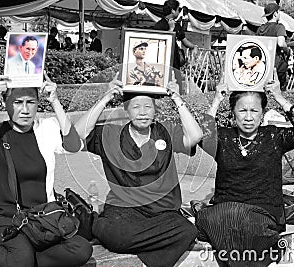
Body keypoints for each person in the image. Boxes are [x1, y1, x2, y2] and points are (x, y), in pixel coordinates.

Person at [0, 74, 92, 267]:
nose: (24, 109)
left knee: (81, 249)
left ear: (38, 103)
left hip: (41, 219)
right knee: (22, 259)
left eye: (31, 102)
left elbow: (73, 145)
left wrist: (55, 101)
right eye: (17, 102)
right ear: (6, 104)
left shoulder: (46, 130)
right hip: (5, 219)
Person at [74, 74, 203, 267]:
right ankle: (96, 223)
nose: (142, 112)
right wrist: (106, 97)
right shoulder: (111, 134)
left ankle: (147, 262)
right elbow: (77, 134)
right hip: (123, 211)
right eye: (135, 107)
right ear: (126, 110)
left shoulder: (165, 131)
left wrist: (177, 98)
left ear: (155, 110)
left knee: (187, 231)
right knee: (118, 237)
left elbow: (195, 136)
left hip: (163, 212)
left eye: (148, 106)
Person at [192, 72, 294, 266]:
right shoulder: (222, 138)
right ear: (233, 113)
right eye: (242, 111)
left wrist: (278, 96)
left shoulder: (274, 137)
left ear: (262, 113)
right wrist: (216, 100)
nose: (248, 117)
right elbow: (198, 136)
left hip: (263, 216)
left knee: (246, 226)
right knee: (221, 220)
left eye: (254, 111)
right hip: (226, 213)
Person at [153, 0, 198, 94]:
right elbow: (159, 44)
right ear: (173, 10)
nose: (179, 12)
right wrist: (171, 29)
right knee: (164, 88)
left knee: (177, 87)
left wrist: (193, 46)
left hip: (175, 62)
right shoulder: (159, 26)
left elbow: (184, 41)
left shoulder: (177, 25)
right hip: (163, 64)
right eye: (179, 9)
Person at [256, 3, 291, 91]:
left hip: (262, 65)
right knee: (278, 90)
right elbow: (281, 43)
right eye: (279, 12)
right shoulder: (279, 27)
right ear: (275, 13)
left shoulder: (260, 29)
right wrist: (288, 50)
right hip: (277, 65)